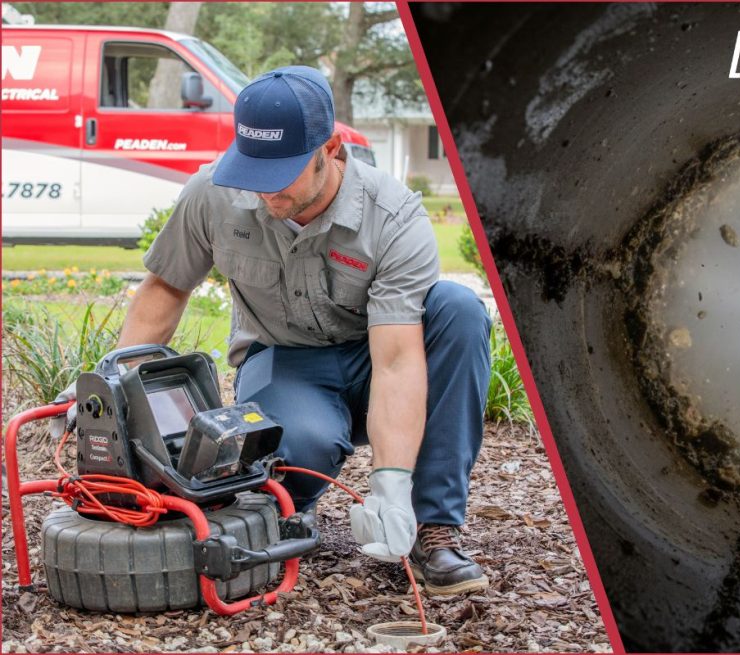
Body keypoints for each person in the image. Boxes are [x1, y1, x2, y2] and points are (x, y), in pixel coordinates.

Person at [55, 66, 492, 595]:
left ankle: (434, 529)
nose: (263, 192)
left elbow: (398, 360)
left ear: (329, 148)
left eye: (279, 174)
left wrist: (391, 481)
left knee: (458, 309)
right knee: (295, 452)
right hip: (286, 358)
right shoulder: (213, 195)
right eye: (252, 170)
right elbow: (165, 288)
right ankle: (286, 504)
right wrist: (110, 386)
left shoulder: (391, 216)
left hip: (380, 356)